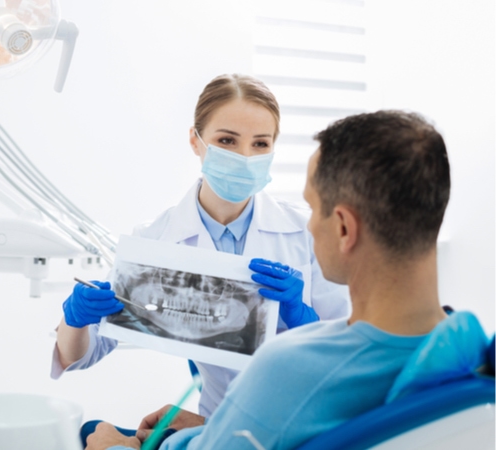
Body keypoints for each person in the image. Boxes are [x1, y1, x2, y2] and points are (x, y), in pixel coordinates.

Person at [85, 109, 453, 449]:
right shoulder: (458, 345)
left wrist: (115, 447)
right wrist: (218, 426)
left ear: (343, 227)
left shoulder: (286, 369)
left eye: (313, 208)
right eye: (228, 140)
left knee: (91, 430)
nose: (307, 224)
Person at [52, 74, 350, 419]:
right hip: (220, 424)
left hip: (312, 421)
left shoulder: (308, 230)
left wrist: (302, 319)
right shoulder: (156, 240)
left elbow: (346, 358)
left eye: (260, 144)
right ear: (195, 141)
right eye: (227, 140)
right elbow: (79, 356)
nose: (244, 156)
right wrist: (75, 320)